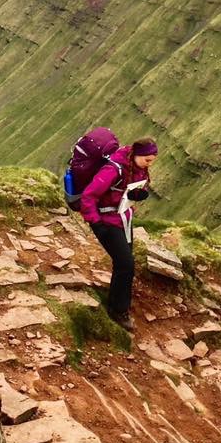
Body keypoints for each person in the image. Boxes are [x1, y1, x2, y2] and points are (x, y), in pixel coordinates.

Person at [80, 137, 157, 331]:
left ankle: (116, 300)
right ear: (137, 155)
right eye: (147, 159)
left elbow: (125, 191)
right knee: (126, 264)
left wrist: (138, 195)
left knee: (124, 263)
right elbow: (89, 195)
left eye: (152, 160)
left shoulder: (138, 167)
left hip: (123, 219)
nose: (150, 163)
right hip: (107, 222)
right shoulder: (113, 169)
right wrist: (95, 222)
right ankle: (118, 310)